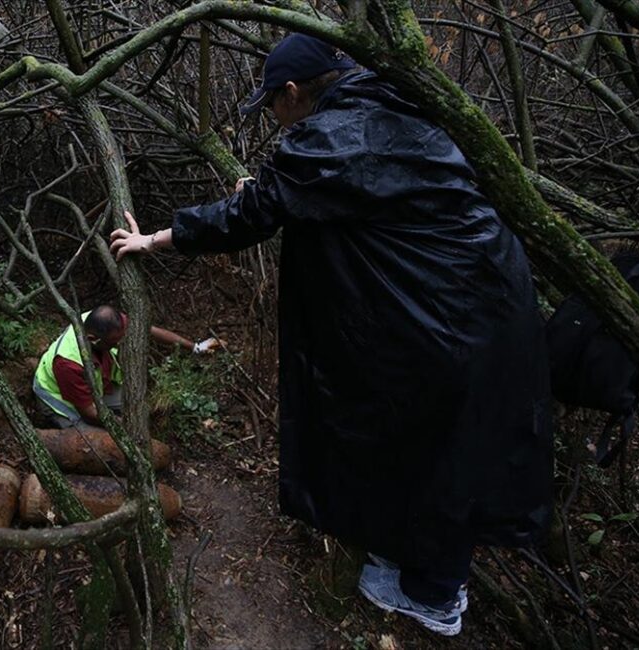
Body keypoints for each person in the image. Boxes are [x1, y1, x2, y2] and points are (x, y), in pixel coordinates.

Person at [109, 33, 552, 636]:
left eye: (273, 105)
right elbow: (347, 200)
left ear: (294, 93)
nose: (274, 118)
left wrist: (154, 240)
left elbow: (251, 215)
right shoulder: (395, 100)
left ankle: (434, 596)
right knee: (440, 441)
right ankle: (419, 568)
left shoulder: (330, 138)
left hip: (452, 320)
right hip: (483, 297)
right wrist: (276, 194)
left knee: (438, 446)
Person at [33, 305, 217, 428]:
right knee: (101, 445)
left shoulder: (106, 322)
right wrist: (127, 425)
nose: (120, 343)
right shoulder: (68, 363)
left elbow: (148, 330)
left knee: (139, 406)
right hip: (61, 401)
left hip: (97, 385)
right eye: (114, 342)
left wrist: (195, 347)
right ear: (92, 340)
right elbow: (89, 412)